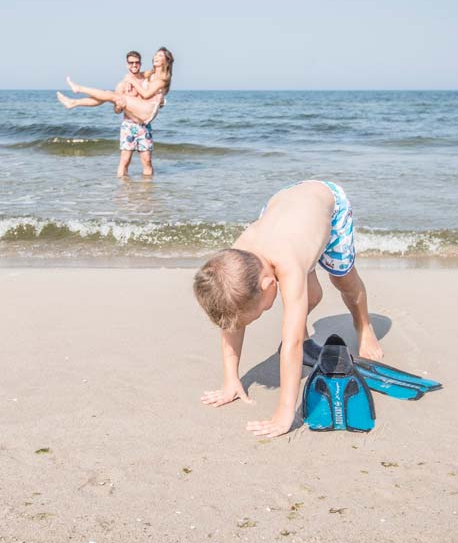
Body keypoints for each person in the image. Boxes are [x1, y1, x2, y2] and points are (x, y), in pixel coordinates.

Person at [192, 181, 383, 439]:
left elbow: (292, 344)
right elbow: (231, 321)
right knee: (310, 295)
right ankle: (306, 304)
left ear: (270, 284)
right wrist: (230, 379)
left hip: (329, 206)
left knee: (343, 280)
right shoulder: (235, 259)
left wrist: (284, 412)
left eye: (258, 314)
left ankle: (364, 325)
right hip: (289, 212)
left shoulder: (289, 265)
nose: (258, 317)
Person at [57, 47, 174, 177]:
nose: (156, 57)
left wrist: (133, 82)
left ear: (166, 60)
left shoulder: (161, 78)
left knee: (147, 161)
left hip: (145, 119)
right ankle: (74, 101)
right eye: (156, 55)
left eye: (160, 56)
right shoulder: (146, 75)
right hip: (130, 123)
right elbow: (116, 110)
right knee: (110, 95)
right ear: (127, 64)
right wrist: (119, 106)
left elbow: (147, 94)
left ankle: (77, 92)